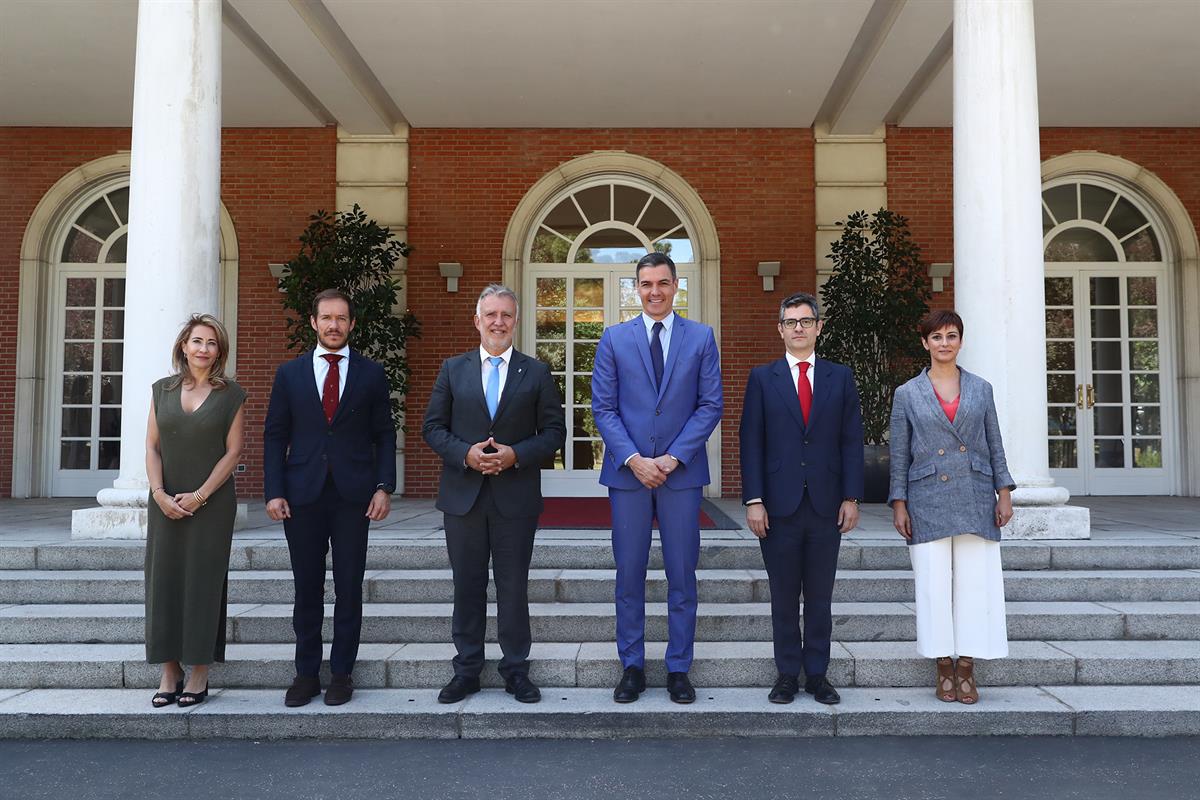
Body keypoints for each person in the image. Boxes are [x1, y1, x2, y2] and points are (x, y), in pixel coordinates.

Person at [422, 284, 565, 704]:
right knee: (467, 585)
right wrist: (464, 454)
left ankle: (516, 670)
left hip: (515, 497)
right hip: (463, 496)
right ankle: (466, 670)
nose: (498, 322)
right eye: (491, 314)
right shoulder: (453, 369)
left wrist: (515, 454)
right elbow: (433, 427)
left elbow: (554, 432)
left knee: (513, 586)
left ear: (515, 321)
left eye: (505, 314)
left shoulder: (536, 372)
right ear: (477, 320)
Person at [591, 252, 723, 704]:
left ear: (675, 286)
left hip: (680, 476)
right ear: (636, 288)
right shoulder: (614, 339)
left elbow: (710, 404)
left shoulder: (701, 337)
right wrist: (634, 459)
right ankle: (631, 666)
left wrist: (672, 458)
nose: (654, 292)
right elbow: (603, 408)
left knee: (682, 574)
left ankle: (678, 668)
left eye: (663, 283)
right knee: (629, 573)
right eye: (646, 284)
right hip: (628, 476)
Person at [263, 289, 396, 707]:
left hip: (354, 495)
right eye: (326, 318)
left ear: (352, 323)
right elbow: (275, 435)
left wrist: (384, 486)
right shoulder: (290, 374)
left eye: (341, 318)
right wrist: (274, 490)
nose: (334, 325)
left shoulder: (371, 374)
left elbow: (384, 434)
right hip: (301, 494)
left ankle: (341, 673)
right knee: (307, 586)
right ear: (313, 322)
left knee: (349, 587)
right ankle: (306, 674)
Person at [738, 292, 864, 705]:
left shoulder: (839, 377)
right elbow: (751, 442)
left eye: (806, 321)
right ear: (780, 329)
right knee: (783, 597)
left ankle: (818, 675)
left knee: (820, 598)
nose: (798, 328)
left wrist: (852, 496)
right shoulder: (763, 378)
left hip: (827, 504)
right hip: (778, 506)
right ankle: (787, 674)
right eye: (791, 322)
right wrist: (754, 500)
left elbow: (851, 440)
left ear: (818, 327)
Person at [888, 309, 1015, 704]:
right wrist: (899, 503)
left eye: (951, 336)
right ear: (925, 343)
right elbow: (899, 454)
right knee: (933, 585)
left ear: (961, 341)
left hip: (975, 493)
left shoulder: (981, 389)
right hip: (927, 497)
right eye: (937, 337)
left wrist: (1004, 491)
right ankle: (943, 664)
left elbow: (994, 442)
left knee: (976, 585)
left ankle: (968, 666)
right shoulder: (907, 393)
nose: (944, 343)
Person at [145, 314, 246, 708]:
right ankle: (169, 672)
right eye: (197, 341)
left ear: (219, 351)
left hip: (212, 504)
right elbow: (152, 447)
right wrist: (159, 494)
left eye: (211, 343)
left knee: (204, 583)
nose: (203, 349)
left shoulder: (231, 394)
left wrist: (200, 495)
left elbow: (233, 452)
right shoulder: (161, 390)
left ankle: (199, 672)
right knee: (163, 582)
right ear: (184, 347)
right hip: (165, 503)